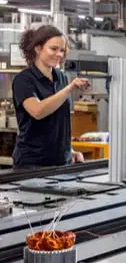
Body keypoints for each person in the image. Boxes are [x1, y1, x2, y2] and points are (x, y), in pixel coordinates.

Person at [12, 25, 89, 168]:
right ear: (38, 48)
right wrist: (69, 88)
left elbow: (61, 121)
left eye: (62, 50)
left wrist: (69, 150)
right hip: (32, 164)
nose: (59, 54)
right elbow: (38, 111)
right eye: (53, 49)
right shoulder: (23, 80)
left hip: (61, 162)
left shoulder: (61, 77)